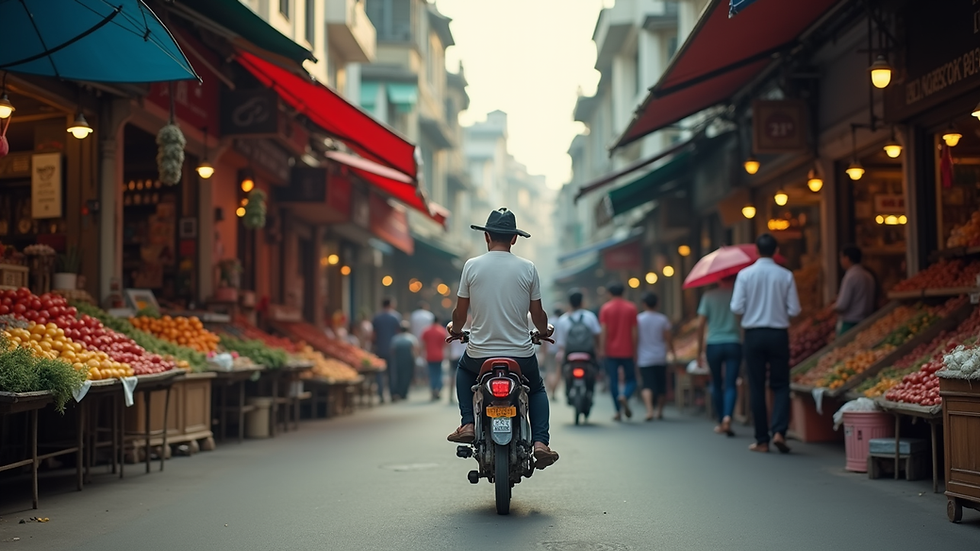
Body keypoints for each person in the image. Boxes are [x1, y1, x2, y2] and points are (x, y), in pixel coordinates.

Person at [445, 207, 559, 469]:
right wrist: (543, 331)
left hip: (478, 355)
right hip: (520, 354)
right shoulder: (528, 268)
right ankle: (541, 443)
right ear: (514, 238)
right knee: (538, 389)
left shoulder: (471, 266)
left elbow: (460, 314)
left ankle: (469, 423)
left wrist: (455, 329)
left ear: (487, 236)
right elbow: (538, 315)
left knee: (463, 371)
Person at [731, 233, 801, 454]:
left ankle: (762, 440)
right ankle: (779, 431)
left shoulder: (744, 275)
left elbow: (736, 307)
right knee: (780, 384)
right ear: (776, 250)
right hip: (778, 334)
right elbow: (795, 310)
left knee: (757, 386)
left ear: (756, 251)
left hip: (753, 335)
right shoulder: (786, 275)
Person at [697, 275, 742, 436]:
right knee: (731, 383)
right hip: (734, 342)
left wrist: (698, 352)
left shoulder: (708, 296)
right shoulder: (738, 294)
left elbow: (701, 325)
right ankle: (728, 417)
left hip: (713, 344)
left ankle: (720, 419)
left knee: (716, 383)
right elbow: (742, 320)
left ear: (718, 279)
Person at [599, 281, 639, 421]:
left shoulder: (606, 308)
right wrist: (635, 349)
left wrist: (602, 349)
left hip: (610, 351)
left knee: (613, 381)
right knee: (632, 379)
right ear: (624, 292)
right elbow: (634, 331)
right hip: (627, 350)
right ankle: (625, 395)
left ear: (610, 293)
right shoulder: (631, 308)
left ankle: (617, 411)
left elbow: (604, 330)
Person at [554, 290, 601, 402]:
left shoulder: (563, 319)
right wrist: (598, 350)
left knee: (564, 369)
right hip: (588, 352)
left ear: (569, 303)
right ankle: (591, 390)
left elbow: (561, 342)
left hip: (569, 352)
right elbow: (597, 335)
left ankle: (567, 390)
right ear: (582, 302)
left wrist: (561, 352)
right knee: (594, 368)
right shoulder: (590, 317)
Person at [636, 293, 674, 422]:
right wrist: (672, 353)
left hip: (644, 357)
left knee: (647, 384)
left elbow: (635, 338)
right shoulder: (662, 319)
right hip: (660, 356)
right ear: (657, 304)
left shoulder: (639, 319)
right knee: (661, 385)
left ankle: (649, 410)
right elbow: (668, 338)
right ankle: (659, 411)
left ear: (644, 304)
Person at [834, 244, 876, 335]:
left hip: (850, 323)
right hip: (866, 322)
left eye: (841, 257)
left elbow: (842, 305)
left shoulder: (850, 276)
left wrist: (833, 308)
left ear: (847, 258)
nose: (840, 261)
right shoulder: (868, 276)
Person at [371, 298, 401, 402]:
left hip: (380, 348)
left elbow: (373, 335)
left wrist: (374, 346)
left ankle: (381, 394)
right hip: (393, 348)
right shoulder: (396, 317)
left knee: (380, 372)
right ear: (391, 304)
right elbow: (398, 333)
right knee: (392, 372)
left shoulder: (376, 317)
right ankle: (393, 393)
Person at [389, 320, 419, 401]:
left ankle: (398, 392)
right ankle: (404, 392)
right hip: (408, 359)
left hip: (398, 359)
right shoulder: (411, 338)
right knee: (407, 376)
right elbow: (415, 349)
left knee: (398, 375)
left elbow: (392, 351)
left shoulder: (395, 338)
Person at [421, 315, 448, 401]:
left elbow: (423, 343)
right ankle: (438, 390)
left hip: (429, 355)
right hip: (439, 355)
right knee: (439, 373)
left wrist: (422, 353)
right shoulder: (442, 331)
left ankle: (433, 389)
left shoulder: (426, 330)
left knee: (432, 373)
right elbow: (446, 343)